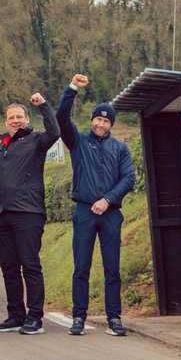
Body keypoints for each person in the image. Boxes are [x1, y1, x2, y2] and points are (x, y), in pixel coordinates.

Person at [56, 74, 135, 337]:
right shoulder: (78, 142)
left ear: (111, 123)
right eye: (98, 119)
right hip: (84, 212)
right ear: (92, 120)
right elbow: (61, 118)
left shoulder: (120, 148)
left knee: (112, 268)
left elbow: (129, 177)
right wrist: (72, 89)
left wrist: (108, 199)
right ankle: (78, 317)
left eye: (106, 120)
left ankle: (114, 318)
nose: (101, 123)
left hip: (111, 213)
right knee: (81, 267)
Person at [0, 93, 61, 335]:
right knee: (8, 267)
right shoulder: (2, 148)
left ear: (27, 119)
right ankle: (15, 316)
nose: (15, 120)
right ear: (6, 122)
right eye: (11, 117)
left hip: (29, 213)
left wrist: (43, 105)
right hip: (6, 215)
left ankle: (35, 318)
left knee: (30, 265)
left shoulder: (37, 140)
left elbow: (55, 132)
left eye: (19, 116)